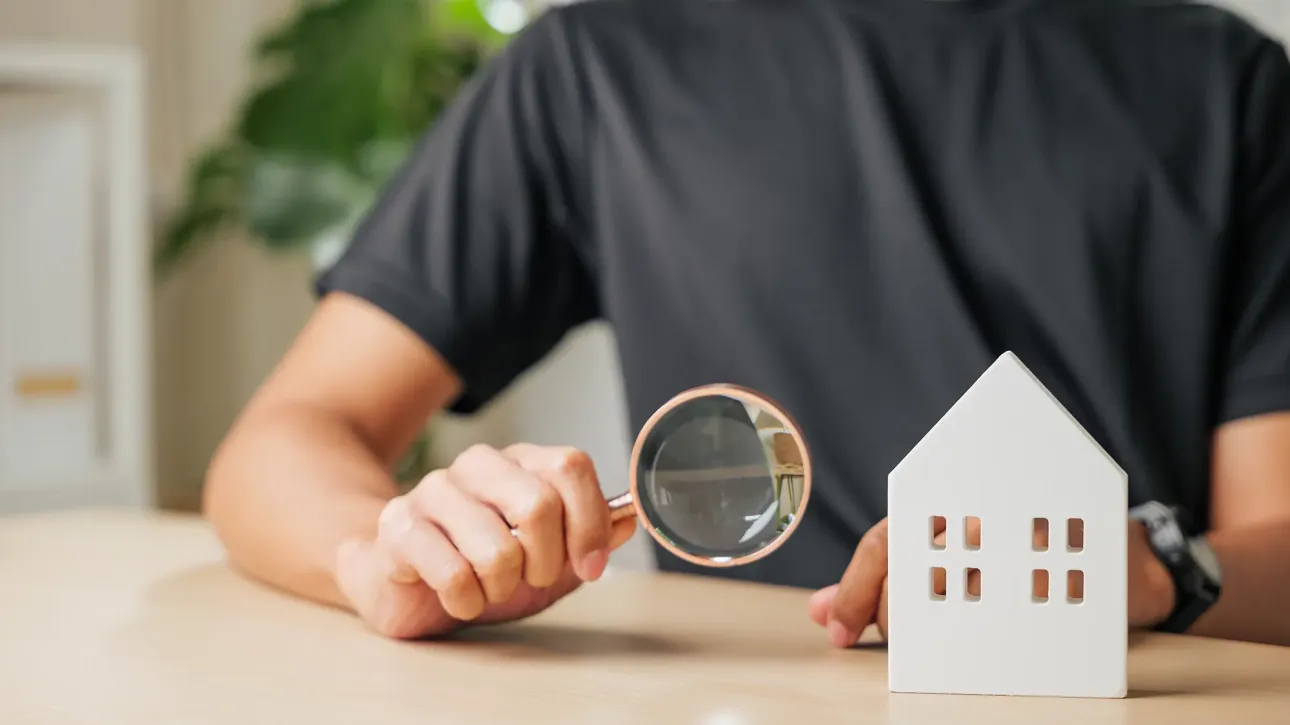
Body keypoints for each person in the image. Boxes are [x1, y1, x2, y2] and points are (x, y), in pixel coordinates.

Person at [204, 0, 1290, 647]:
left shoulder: (1228, 85)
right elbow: (291, 432)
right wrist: (385, 555)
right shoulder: (598, 66)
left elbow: (1278, 538)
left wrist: (1155, 569)